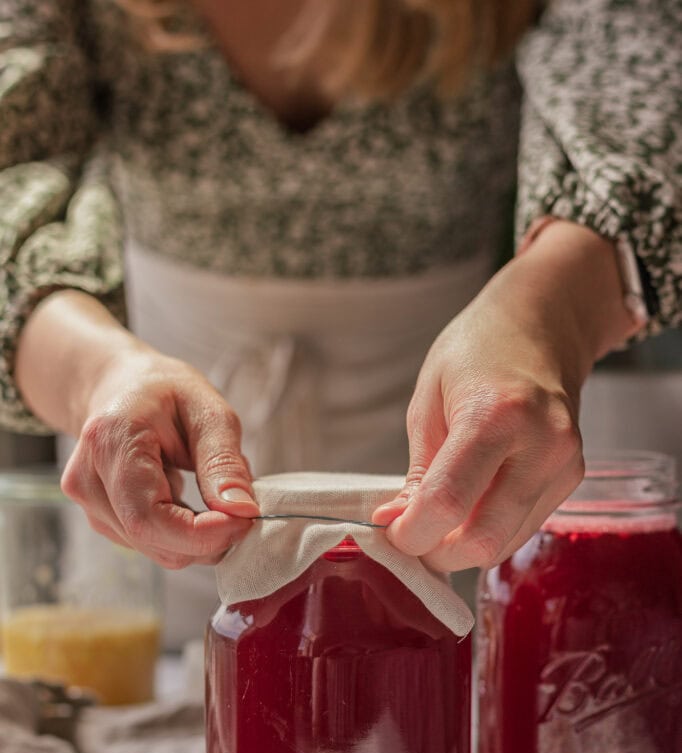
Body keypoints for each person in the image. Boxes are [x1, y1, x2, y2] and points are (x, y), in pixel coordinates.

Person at [1, 0, 680, 645]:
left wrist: (540, 319)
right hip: (149, 553)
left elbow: (641, 102)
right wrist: (96, 376)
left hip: (459, 545)